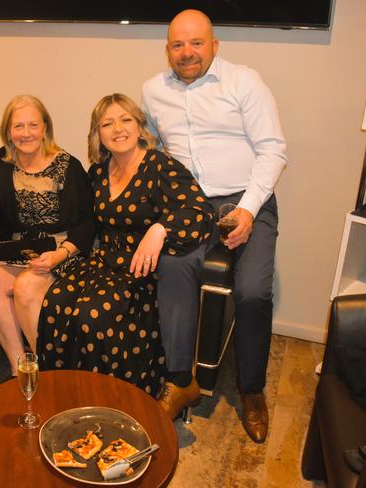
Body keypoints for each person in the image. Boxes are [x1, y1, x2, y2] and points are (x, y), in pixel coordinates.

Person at [141, 9, 288, 442]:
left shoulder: (244, 81)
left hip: (247, 197)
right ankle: (180, 378)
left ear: (214, 45)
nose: (187, 53)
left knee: (253, 292)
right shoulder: (152, 91)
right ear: (167, 49)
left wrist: (246, 209)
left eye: (196, 43)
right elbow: (148, 147)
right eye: (177, 45)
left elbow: (274, 150)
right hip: (188, 205)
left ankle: (251, 390)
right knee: (172, 269)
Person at [37, 94, 212, 396]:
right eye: (107, 123)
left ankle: (108, 398)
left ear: (140, 127)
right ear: (98, 135)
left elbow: (201, 212)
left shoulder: (160, 166)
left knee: (91, 316)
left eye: (125, 119)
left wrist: (160, 228)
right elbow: (86, 221)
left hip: (140, 273)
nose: (118, 129)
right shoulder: (98, 172)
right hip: (102, 263)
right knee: (55, 303)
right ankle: (63, 392)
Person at [0, 95, 94, 376]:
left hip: (62, 251)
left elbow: (87, 224)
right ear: (8, 131)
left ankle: (50, 373)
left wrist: (58, 255)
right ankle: (21, 370)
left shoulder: (67, 165)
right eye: (18, 126)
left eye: (33, 125)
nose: (25, 133)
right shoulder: (1, 162)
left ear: (45, 128)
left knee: (27, 285)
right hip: (20, 252)